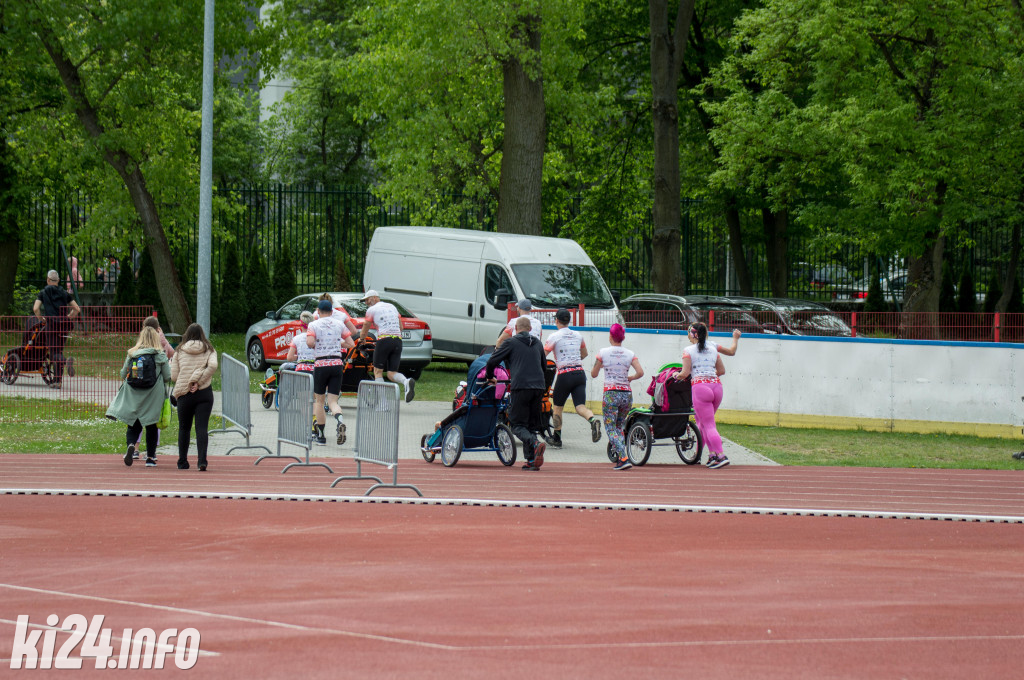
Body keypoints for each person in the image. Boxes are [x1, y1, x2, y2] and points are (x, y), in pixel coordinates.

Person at [674, 323, 741, 469]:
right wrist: (735, 338)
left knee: (709, 425)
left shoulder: (688, 350)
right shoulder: (713, 347)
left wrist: (675, 375)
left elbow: (685, 373)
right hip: (716, 387)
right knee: (703, 423)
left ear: (693, 334)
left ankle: (720, 455)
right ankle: (710, 455)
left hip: (700, 387)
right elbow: (722, 369)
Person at [486, 316, 547, 470]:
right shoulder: (538, 343)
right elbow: (543, 366)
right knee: (531, 425)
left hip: (521, 386)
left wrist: (489, 376)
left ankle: (535, 443)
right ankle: (531, 460)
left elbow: (492, 360)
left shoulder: (511, 342)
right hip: (539, 387)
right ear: (530, 329)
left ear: (515, 329)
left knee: (517, 425)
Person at [105, 326, 171, 467]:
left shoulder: (132, 354)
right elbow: (168, 376)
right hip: (153, 396)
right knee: (151, 425)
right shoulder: (159, 355)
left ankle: (131, 445)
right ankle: (150, 458)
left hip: (134, 395)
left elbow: (123, 374)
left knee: (133, 425)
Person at [543, 308, 601, 447]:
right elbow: (585, 353)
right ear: (569, 320)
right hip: (579, 373)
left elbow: (542, 356)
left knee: (557, 408)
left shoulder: (553, 336)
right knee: (580, 406)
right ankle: (592, 420)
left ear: (556, 320)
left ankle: (557, 439)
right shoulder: (578, 335)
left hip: (564, 374)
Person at [591, 323, 644, 471]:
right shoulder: (630, 354)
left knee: (610, 427)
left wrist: (603, 365)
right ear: (623, 337)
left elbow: (593, 374)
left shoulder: (603, 353)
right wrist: (631, 378)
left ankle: (623, 457)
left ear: (610, 336)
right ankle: (621, 457)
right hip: (626, 394)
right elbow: (640, 372)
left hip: (611, 394)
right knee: (619, 426)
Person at [307, 299, 355, 445]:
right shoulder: (339, 324)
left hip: (321, 364)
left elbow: (309, 343)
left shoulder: (313, 324)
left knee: (320, 401)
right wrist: (338, 342)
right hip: (337, 364)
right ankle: (340, 421)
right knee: (333, 401)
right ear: (332, 312)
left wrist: (318, 343)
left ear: (318, 311)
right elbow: (351, 343)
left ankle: (321, 436)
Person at [170, 323, 218, 471]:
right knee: (201, 427)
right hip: (204, 393)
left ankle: (182, 461)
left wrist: (189, 381)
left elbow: (174, 376)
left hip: (184, 394)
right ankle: (202, 461)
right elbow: (213, 366)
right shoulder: (209, 349)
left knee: (184, 428)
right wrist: (199, 381)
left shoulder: (179, 351)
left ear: (187, 334)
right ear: (202, 335)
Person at [357, 290, 416, 403]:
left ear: (374, 297)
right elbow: (401, 327)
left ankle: (383, 404)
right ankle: (406, 381)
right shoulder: (392, 306)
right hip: (397, 340)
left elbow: (366, 325)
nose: (366, 303)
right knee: (391, 373)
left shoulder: (372, 309)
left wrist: (362, 339)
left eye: (367, 300)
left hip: (384, 339)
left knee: (378, 371)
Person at [33, 269, 81, 389]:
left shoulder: (44, 292)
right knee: (58, 351)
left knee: (54, 353)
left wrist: (41, 319)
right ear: (58, 280)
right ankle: (57, 381)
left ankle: (66, 362)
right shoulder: (64, 293)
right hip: (63, 326)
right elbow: (77, 309)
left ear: (48, 280)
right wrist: (68, 317)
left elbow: (36, 308)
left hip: (51, 325)